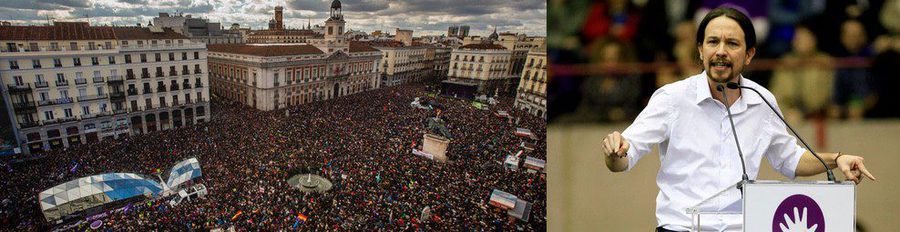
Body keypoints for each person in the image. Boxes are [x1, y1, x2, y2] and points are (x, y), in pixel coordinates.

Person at [600, 7, 876, 232]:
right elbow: (624, 157)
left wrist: (836, 158)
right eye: (712, 42)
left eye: (732, 43)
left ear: (749, 54)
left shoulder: (761, 99)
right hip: (681, 227)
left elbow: (789, 159)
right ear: (700, 50)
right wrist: (616, 152)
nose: (720, 50)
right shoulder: (672, 98)